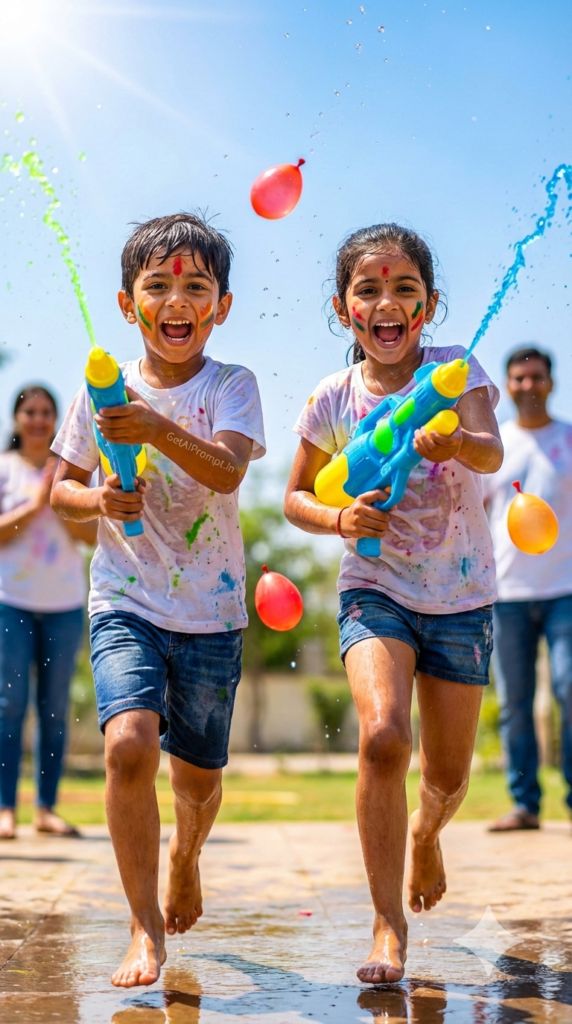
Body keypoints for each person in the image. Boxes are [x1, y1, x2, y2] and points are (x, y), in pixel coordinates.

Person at [50, 213, 265, 989]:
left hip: (211, 609)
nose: (177, 300)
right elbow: (61, 492)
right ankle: (143, 930)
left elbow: (226, 472)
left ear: (221, 306)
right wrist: (100, 499)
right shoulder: (102, 390)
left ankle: (186, 853)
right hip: (124, 597)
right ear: (126, 303)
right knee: (129, 746)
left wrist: (153, 427)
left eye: (195, 287)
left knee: (198, 782)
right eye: (158, 286)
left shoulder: (231, 385)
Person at [284, 223, 503, 985]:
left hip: (463, 592)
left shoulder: (455, 368)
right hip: (374, 588)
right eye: (369, 289)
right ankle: (386, 926)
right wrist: (339, 518)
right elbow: (295, 498)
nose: (387, 302)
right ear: (345, 310)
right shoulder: (330, 397)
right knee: (382, 739)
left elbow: (491, 450)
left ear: (429, 304)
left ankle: (428, 830)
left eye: (405, 288)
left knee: (446, 777)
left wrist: (457, 445)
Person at [0, 386, 97, 840]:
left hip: (64, 605)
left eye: (46, 413)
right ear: (17, 419)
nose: (38, 420)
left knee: (54, 710)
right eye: (30, 412)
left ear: (58, 420)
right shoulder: (5, 469)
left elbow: (94, 539)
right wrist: (36, 505)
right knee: (9, 706)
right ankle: (5, 810)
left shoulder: (71, 473)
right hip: (10, 603)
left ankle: (46, 808)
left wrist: (61, 501)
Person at [483, 347, 572, 831]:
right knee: (516, 701)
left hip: (566, 591)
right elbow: (475, 514)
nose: (527, 385)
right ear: (508, 384)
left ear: (551, 383)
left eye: (536, 376)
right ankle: (525, 804)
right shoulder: (495, 445)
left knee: (570, 686)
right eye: (518, 377)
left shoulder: (569, 439)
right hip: (508, 594)